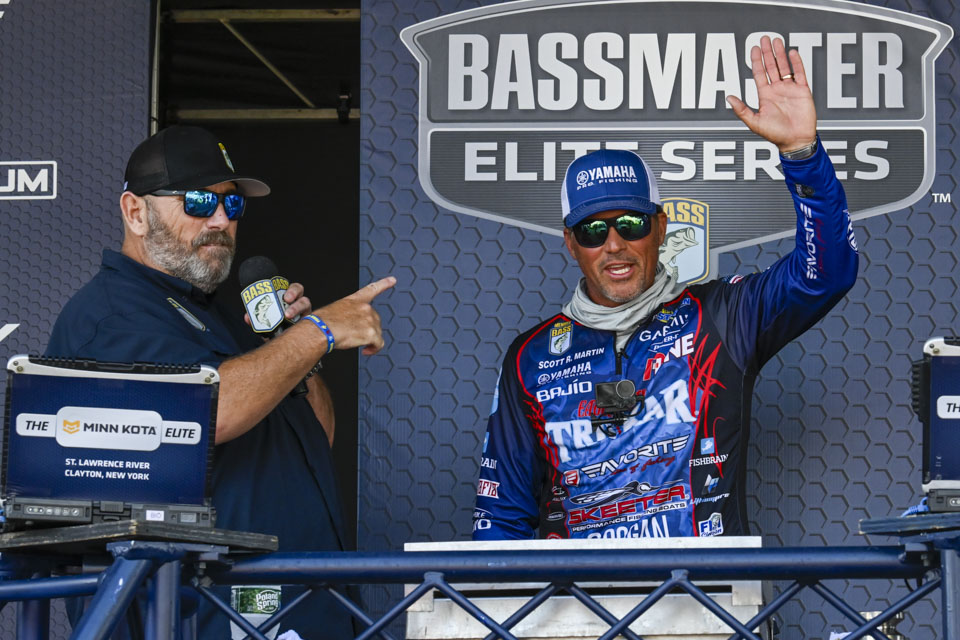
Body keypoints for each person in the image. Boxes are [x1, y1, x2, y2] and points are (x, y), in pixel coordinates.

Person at [473, 36, 859, 540]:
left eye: (631, 224)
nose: (614, 244)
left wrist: (801, 155)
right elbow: (501, 518)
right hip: (577, 593)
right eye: (593, 230)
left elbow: (825, 273)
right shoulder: (531, 357)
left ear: (660, 227)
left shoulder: (723, 317)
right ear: (571, 243)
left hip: (704, 588)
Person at [45, 125, 393, 637]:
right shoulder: (112, 314)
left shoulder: (215, 315)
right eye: (199, 201)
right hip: (195, 615)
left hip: (295, 604)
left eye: (232, 205)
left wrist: (292, 341)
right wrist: (318, 332)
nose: (220, 220)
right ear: (136, 212)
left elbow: (317, 437)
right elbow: (206, 412)